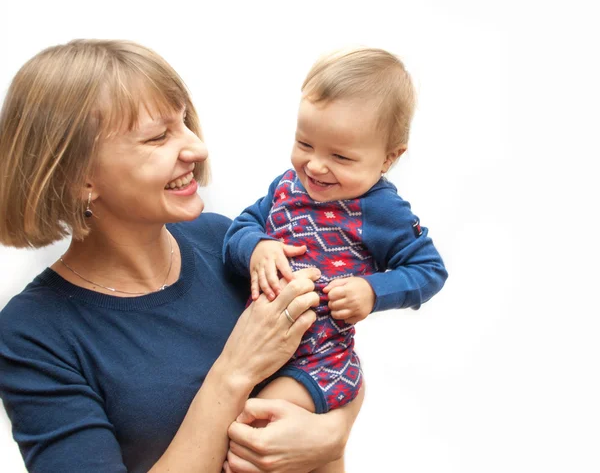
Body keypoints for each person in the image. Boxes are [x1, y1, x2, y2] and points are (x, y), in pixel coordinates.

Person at [0, 39, 363, 473]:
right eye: (158, 137)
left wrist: (333, 432)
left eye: (184, 123)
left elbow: (333, 354)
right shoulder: (33, 335)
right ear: (81, 179)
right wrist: (234, 371)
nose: (196, 148)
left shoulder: (228, 244)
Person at [224, 47, 448, 472]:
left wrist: (372, 289)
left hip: (320, 363)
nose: (316, 165)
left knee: (249, 430)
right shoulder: (286, 187)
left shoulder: (381, 210)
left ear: (388, 158)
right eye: (304, 143)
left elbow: (429, 269)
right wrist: (256, 246)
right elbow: (238, 230)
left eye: (341, 157)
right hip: (262, 352)